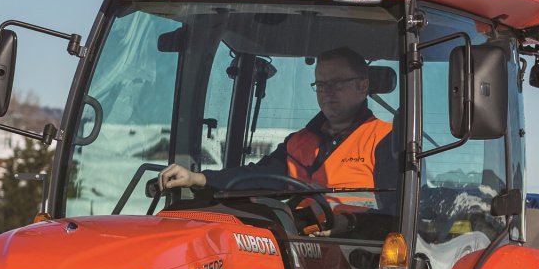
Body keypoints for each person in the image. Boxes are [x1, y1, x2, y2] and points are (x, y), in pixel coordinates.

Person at [158, 46, 394, 201]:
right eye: (321, 85)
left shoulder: (385, 140)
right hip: (300, 247)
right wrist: (199, 179)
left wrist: (346, 224)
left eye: (337, 83)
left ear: (363, 86)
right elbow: (259, 177)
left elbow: (393, 212)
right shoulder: (299, 143)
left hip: (359, 255)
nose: (327, 92)